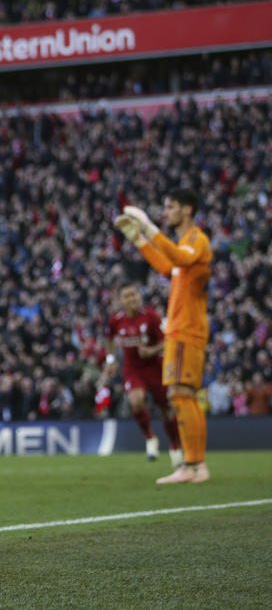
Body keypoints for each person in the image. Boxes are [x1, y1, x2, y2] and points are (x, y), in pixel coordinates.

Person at [115, 189, 213, 484]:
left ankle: (195, 465)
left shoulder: (196, 239)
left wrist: (148, 226)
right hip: (180, 329)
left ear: (186, 209)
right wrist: (137, 238)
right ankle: (193, 466)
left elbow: (179, 258)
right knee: (180, 395)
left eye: (170, 206)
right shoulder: (184, 245)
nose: (166, 211)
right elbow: (165, 265)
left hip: (187, 329)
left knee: (182, 395)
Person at [101, 282, 183, 467]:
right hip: (132, 369)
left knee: (166, 411)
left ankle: (175, 447)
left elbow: (166, 341)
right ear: (121, 300)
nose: (132, 299)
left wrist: (152, 350)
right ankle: (150, 439)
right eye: (128, 296)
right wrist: (110, 360)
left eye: (134, 295)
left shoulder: (151, 317)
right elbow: (110, 340)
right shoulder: (116, 320)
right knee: (135, 401)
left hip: (155, 368)